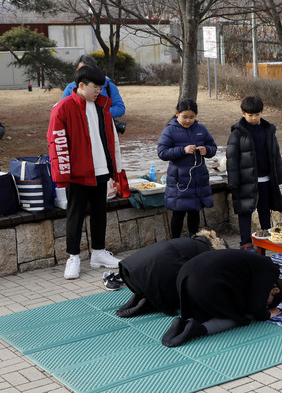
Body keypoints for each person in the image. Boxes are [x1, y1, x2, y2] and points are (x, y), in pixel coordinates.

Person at [47, 66, 122, 279]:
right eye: (95, 87)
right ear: (81, 85)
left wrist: (113, 169)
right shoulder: (63, 108)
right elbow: (56, 142)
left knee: (99, 212)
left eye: (101, 87)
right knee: (75, 215)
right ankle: (73, 258)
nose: (99, 91)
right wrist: (62, 175)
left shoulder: (102, 107)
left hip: (101, 170)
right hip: (77, 173)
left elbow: (109, 140)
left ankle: (98, 253)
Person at [161, 249, 282, 347]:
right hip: (205, 283)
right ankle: (196, 329)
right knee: (237, 318)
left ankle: (182, 323)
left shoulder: (255, 263)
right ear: (275, 290)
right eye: (269, 302)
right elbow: (256, 306)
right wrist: (266, 313)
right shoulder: (270, 270)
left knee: (214, 308)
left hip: (184, 279)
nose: (265, 303)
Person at [115, 229, 228, 318]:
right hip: (149, 274)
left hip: (132, 269)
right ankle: (147, 303)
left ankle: (141, 296)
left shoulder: (194, 241)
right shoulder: (206, 253)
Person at [226, 96, 282, 250]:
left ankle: (265, 238)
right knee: (244, 211)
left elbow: (275, 154)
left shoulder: (268, 130)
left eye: (257, 115)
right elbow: (231, 159)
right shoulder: (237, 133)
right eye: (250, 115)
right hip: (246, 180)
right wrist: (234, 182)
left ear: (261, 113)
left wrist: (279, 175)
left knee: (264, 209)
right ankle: (245, 242)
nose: (254, 118)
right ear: (243, 113)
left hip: (265, 178)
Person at [158, 98, 217, 238]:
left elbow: (213, 147)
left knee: (194, 212)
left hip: (198, 180)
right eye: (185, 117)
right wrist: (182, 150)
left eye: (191, 117)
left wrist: (206, 150)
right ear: (177, 113)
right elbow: (162, 152)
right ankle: (175, 242)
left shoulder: (201, 129)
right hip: (179, 182)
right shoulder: (169, 131)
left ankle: (194, 241)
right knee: (178, 213)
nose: (188, 120)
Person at [61, 54, 126, 121]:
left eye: (88, 69)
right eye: (81, 70)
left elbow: (120, 108)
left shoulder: (108, 86)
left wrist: (99, 113)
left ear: (96, 68)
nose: (85, 73)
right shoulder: (70, 88)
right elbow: (63, 110)